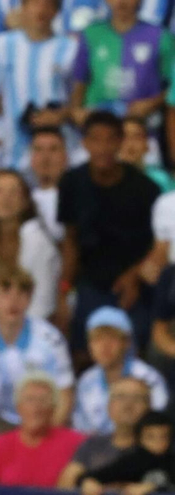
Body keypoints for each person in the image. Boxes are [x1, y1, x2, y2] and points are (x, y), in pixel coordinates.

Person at [0, 266, 76, 463]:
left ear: (29, 301)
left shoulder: (50, 339)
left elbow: (65, 396)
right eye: (5, 293)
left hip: (44, 421)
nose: (13, 301)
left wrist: (46, 439)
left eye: (21, 294)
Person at [60, 110, 161, 348]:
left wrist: (134, 276)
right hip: (90, 284)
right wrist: (63, 291)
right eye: (95, 139)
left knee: (131, 349)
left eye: (110, 139)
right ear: (84, 143)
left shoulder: (146, 189)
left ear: (120, 142)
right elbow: (71, 239)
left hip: (136, 287)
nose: (103, 147)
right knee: (84, 351)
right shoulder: (71, 182)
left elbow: (159, 245)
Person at [0, 0, 72, 172]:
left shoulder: (69, 48)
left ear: (57, 10)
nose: (41, 8)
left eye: (48, 2)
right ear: (23, 6)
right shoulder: (3, 45)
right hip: (14, 152)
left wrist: (60, 115)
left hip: (58, 149)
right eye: (35, 1)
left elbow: (78, 101)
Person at [69, 0, 173, 127]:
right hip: (99, 130)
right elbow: (80, 82)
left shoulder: (160, 37)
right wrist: (76, 111)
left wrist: (152, 103)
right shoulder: (91, 34)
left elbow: (173, 86)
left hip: (142, 132)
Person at [0, 169, 61, 320]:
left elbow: (43, 298)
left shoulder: (36, 239)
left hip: (31, 324)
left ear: (25, 201)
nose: (5, 199)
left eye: (13, 192)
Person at [0, 373, 87, 487]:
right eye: (30, 400)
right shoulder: (1, 444)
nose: (36, 407)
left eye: (42, 400)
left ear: (53, 408)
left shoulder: (75, 442)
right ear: (18, 407)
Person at [73, 305, 169, 434]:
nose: (104, 346)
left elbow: (157, 425)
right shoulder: (86, 381)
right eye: (97, 339)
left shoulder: (149, 377)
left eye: (112, 338)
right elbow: (80, 430)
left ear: (127, 343)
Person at [60, 374, 154, 487]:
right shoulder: (92, 445)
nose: (128, 404)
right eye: (121, 397)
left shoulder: (159, 448)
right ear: (109, 406)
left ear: (149, 407)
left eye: (137, 398)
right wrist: (84, 484)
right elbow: (66, 484)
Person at [79, 409, 175, 495]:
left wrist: (151, 488)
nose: (158, 443)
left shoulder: (171, 461)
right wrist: (89, 482)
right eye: (150, 437)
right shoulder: (133, 461)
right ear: (139, 439)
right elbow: (98, 475)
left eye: (164, 436)